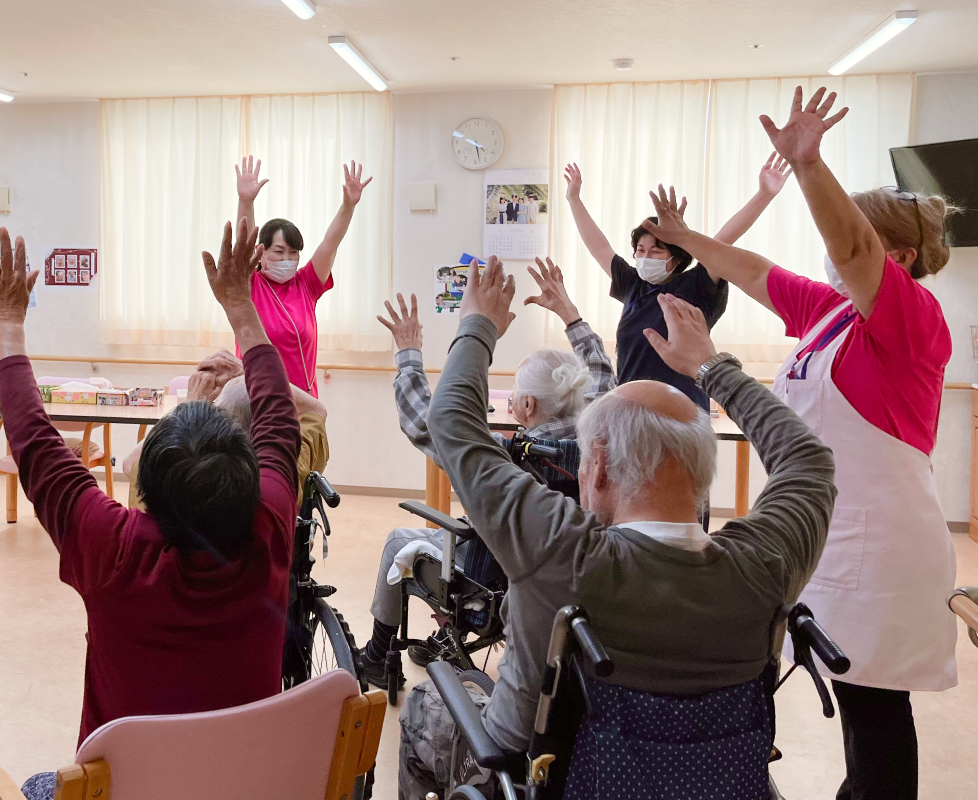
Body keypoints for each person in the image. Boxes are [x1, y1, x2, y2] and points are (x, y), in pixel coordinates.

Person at [398, 257, 836, 799]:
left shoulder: (558, 547)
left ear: (598, 465)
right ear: (701, 471)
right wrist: (712, 367)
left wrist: (478, 324)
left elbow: (450, 424)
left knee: (424, 703)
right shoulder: (765, 565)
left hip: (541, 766)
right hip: (716, 782)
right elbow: (809, 462)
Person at [639, 86, 957, 800]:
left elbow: (849, 242)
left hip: (881, 545)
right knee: (853, 703)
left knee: (874, 709)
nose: (831, 254)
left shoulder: (911, 317)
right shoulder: (832, 312)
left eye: (855, 246)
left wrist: (810, 166)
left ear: (896, 256)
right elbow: (751, 271)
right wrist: (687, 239)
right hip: (827, 531)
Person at [0, 218, 300, 782]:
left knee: (35, 786)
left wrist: (6, 325)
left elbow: (33, 441)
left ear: (146, 488)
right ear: (249, 477)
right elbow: (277, 416)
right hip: (244, 787)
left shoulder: (114, 549)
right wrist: (241, 309)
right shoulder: (270, 527)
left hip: (125, 789)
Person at [358, 259, 616, 688]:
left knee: (398, 541)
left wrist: (408, 354)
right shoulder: (600, 439)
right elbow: (603, 374)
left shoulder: (506, 457)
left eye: (515, 396)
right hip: (573, 575)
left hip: (492, 582)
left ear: (528, 407)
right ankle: (445, 637)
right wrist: (571, 314)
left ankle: (374, 656)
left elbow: (427, 420)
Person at [563, 153, 792, 407]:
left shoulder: (695, 285)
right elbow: (599, 246)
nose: (646, 257)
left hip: (683, 414)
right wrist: (574, 198)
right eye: (640, 250)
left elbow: (723, 240)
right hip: (631, 409)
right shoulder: (632, 285)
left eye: (656, 251)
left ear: (676, 258)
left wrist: (765, 194)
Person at [234, 155, 372, 397]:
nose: (287, 259)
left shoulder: (306, 283)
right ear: (261, 251)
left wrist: (348, 206)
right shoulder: (249, 284)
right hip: (253, 400)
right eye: (278, 251)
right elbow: (244, 242)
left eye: (293, 253)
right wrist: (246, 201)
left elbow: (331, 243)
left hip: (303, 403)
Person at [123, 352, 329, 509]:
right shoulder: (281, 481)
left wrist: (190, 402)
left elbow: (131, 463)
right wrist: (249, 373)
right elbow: (316, 410)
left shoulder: (168, 481)